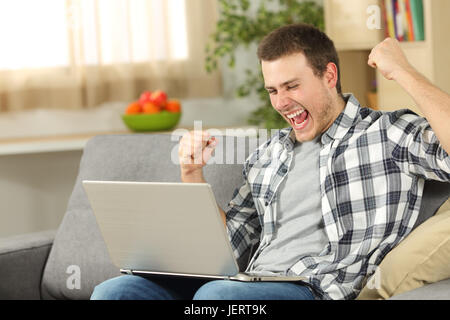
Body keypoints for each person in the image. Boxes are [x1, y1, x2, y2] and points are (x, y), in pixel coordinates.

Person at [91, 23, 450, 300]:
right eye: (273, 90)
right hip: (248, 284)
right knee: (117, 292)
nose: (281, 103)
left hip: (313, 289)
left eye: (292, 87)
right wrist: (192, 173)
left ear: (329, 76)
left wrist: (403, 72)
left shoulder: (388, 133)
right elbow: (231, 246)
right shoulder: (268, 154)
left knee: (217, 298)